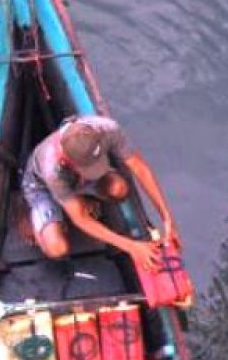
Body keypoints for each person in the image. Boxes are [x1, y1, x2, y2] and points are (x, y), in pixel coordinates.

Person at [21, 115, 179, 272]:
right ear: (66, 160)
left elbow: (140, 169)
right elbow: (80, 219)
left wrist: (167, 218)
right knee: (57, 248)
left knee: (119, 188)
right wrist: (132, 247)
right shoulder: (52, 168)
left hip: (78, 181)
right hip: (42, 187)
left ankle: (78, 202)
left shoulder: (106, 129)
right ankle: (30, 219)